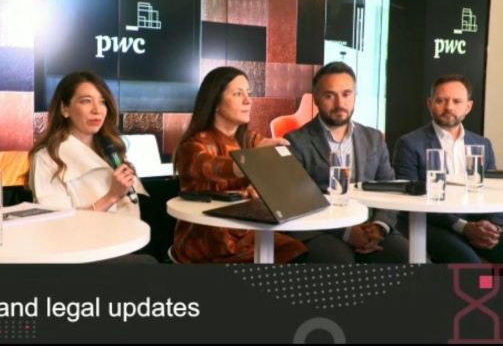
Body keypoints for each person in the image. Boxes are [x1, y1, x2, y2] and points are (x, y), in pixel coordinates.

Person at [172, 66, 307, 264]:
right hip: (208, 241)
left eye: (249, 93)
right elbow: (215, 167)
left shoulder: (250, 139)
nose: (248, 100)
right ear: (215, 102)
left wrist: (261, 185)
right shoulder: (192, 146)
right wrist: (253, 160)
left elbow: (283, 182)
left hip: (248, 233)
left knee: (298, 252)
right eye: (238, 94)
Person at [285, 62, 409, 263]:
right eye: (329, 95)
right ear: (316, 98)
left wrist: (379, 226)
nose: (339, 103)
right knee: (341, 260)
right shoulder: (296, 141)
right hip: (320, 229)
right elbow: (298, 202)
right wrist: (347, 232)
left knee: (410, 257)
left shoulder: (374, 138)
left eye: (346, 94)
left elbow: (390, 190)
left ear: (354, 96)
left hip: (370, 225)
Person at [392, 74, 502, 262]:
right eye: (441, 100)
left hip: (478, 223)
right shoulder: (409, 144)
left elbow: (494, 191)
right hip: (432, 224)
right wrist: (463, 227)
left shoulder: (482, 144)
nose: (449, 107)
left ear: (468, 107)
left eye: (457, 101)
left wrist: (493, 226)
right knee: (470, 264)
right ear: (430, 104)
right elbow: (409, 200)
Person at [29, 71, 144, 217]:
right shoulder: (47, 158)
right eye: (86, 101)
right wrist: (111, 197)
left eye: (102, 102)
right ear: (65, 108)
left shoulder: (111, 148)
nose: (97, 110)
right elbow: (57, 222)